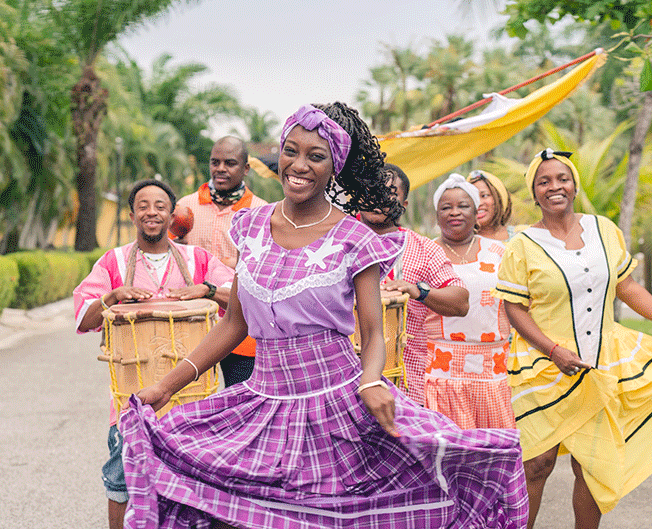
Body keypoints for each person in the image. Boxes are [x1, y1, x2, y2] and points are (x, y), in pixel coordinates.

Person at [119, 103, 529, 529]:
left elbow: (372, 334)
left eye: (315, 156)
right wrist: (166, 387)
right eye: (291, 151)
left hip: (336, 409)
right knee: (223, 506)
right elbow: (233, 324)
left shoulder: (355, 238)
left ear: (335, 168)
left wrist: (372, 381)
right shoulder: (251, 226)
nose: (298, 165)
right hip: (263, 401)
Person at [493, 148, 652, 528]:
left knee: (591, 466)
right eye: (544, 181)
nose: (554, 187)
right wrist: (553, 349)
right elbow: (514, 308)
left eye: (562, 178)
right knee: (536, 464)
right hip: (543, 365)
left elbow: (627, 287)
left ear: (574, 184)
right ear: (534, 192)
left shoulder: (604, 230)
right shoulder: (523, 245)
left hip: (599, 364)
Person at [72, 179, 235, 529]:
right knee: (121, 481)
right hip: (130, 401)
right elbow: (85, 318)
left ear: (171, 214)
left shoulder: (198, 259)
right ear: (132, 215)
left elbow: (239, 296)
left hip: (193, 401)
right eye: (143, 205)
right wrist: (113, 296)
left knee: (197, 486)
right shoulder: (113, 261)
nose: (152, 212)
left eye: (160, 206)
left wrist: (205, 288)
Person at [358, 162, 469, 405]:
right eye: (371, 190)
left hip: (405, 390)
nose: (378, 198)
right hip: (341, 386)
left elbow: (461, 302)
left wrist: (419, 291)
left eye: (389, 193)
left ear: (404, 205)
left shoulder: (425, 249)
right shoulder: (336, 243)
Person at [423, 174, 516, 430]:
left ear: (476, 213)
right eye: (446, 207)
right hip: (440, 375)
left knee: (492, 455)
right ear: (436, 215)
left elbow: (517, 305)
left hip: (493, 373)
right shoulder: (425, 253)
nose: (455, 212)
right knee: (449, 457)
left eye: (463, 206)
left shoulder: (500, 253)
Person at [175, 136, 268, 387]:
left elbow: (265, 271)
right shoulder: (185, 207)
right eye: (215, 162)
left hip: (241, 326)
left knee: (241, 400)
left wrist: (231, 264)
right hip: (191, 321)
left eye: (230, 163)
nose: (221, 169)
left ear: (246, 168)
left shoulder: (261, 212)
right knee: (190, 397)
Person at [467, 169, 516, 243]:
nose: (478, 203)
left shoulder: (520, 236)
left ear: (499, 198)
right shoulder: (461, 243)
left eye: (484, 195)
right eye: (472, 198)